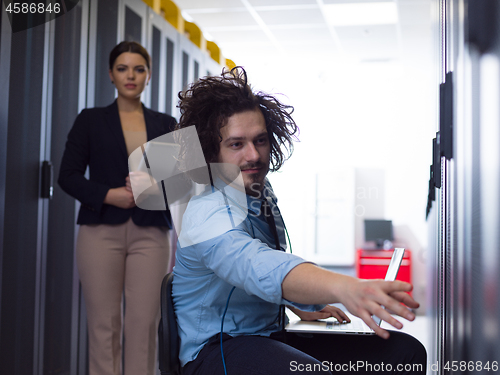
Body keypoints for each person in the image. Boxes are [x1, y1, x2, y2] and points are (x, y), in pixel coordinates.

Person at [170, 67, 427, 375]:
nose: (254, 155)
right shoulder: (206, 213)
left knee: (404, 353)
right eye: (237, 144)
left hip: (266, 336)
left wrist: (301, 304)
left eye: (260, 140)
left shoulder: (260, 194)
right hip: (216, 352)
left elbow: (269, 265)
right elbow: (257, 266)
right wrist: (346, 287)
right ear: (211, 151)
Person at [58, 41, 176, 375]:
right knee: (103, 326)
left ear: (148, 76)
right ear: (111, 75)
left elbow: (181, 186)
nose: (131, 76)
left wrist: (150, 190)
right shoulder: (90, 120)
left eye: (139, 69)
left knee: (144, 326)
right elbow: (66, 176)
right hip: (100, 232)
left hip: (151, 234)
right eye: (123, 68)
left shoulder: (165, 124)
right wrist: (109, 194)